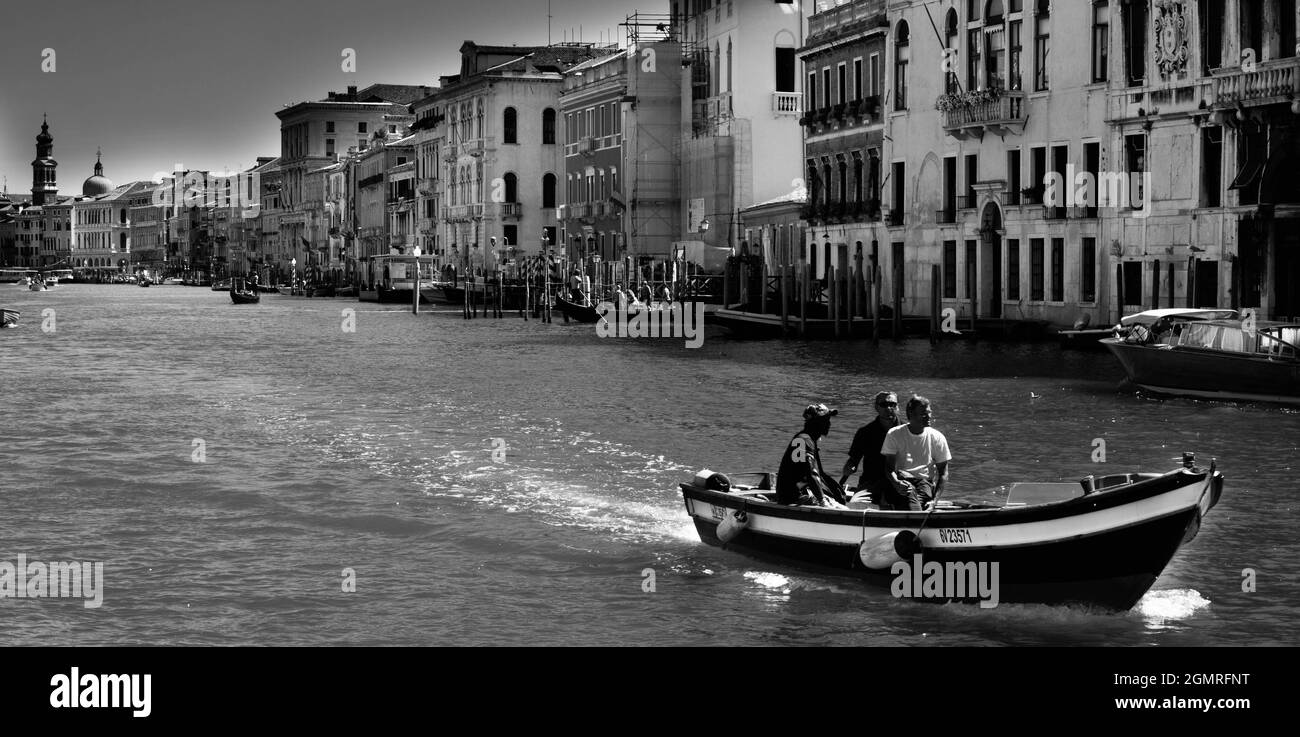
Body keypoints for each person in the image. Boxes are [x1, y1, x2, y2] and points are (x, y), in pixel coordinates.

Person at [880, 395, 952, 511]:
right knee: (907, 492)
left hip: (924, 483)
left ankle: (915, 516)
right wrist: (896, 483)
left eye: (929, 412)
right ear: (911, 414)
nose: (928, 416)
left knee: (913, 500)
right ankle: (916, 517)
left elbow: (943, 474)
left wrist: (934, 501)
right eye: (923, 413)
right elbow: (889, 469)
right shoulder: (894, 434)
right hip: (901, 481)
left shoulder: (937, 437)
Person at [841, 391, 903, 508]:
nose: (888, 408)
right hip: (870, 482)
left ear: (898, 407)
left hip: (898, 482)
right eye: (883, 404)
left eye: (892, 404)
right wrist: (849, 467)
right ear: (876, 407)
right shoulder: (865, 432)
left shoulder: (907, 431)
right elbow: (854, 459)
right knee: (854, 505)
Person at [776, 403, 847, 507]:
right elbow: (811, 474)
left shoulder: (804, 439)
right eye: (825, 420)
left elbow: (805, 473)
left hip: (792, 495)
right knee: (841, 509)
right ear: (816, 422)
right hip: (796, 498)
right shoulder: (803, 440)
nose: (829, 423)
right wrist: (822, 501)